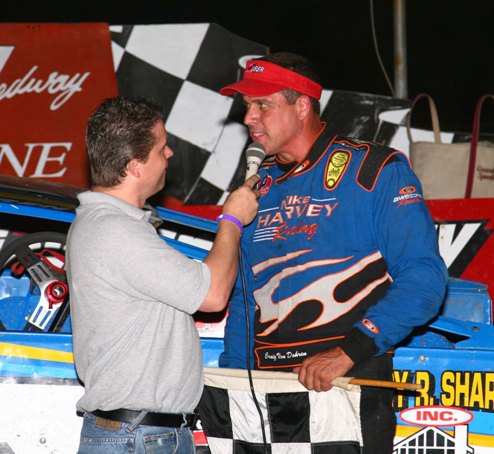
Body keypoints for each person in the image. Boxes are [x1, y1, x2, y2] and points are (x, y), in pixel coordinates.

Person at [217, 52, 448, 452]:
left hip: (345, 382)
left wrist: (348, 352)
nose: (249, 118)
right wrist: (235, 382)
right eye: (247, 106)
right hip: (267, 391)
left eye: (262, 105)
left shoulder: (374, 170)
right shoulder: (256, 188)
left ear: (302, 106)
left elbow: (424, 279)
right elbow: (243, 301)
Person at [66, 96, 259, 454]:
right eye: (161, 148)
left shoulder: (103, 225)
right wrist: (232, 219)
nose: (169, 154)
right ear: (135, 166)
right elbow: (214, 294)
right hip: (139, 437)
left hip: (137, 433)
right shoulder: (115, 231)